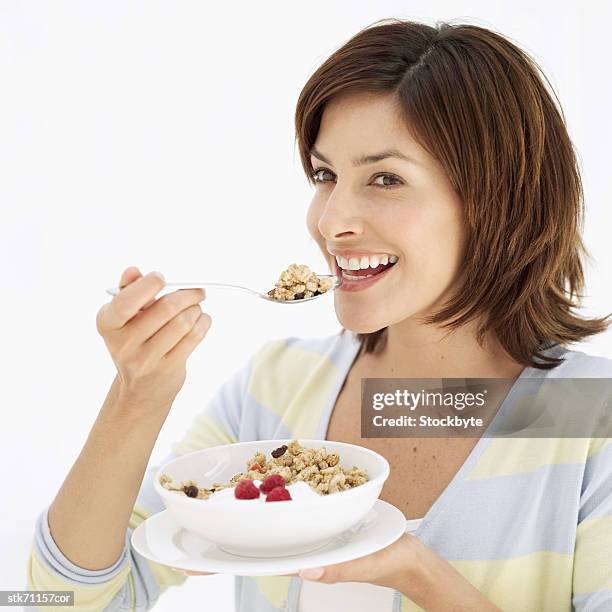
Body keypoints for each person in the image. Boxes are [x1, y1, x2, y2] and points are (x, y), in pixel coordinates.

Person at [26, 18, 612, 612]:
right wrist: (136, 395)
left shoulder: (592, 419)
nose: (331, 221)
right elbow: (60, 602)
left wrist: (417, 573)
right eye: (326, 175)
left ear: (499, 201)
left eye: (386, 178)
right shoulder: (275, 389)